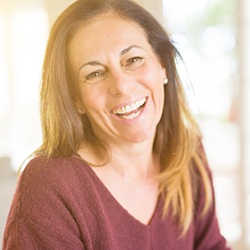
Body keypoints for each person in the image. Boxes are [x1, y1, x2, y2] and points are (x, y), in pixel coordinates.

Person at [3, 0, 231, 249]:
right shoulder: (50, 186)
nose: (121, 86)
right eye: (95, 73)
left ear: (163, 65)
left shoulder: (188, 152)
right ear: (76, 99)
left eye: (133, 59)